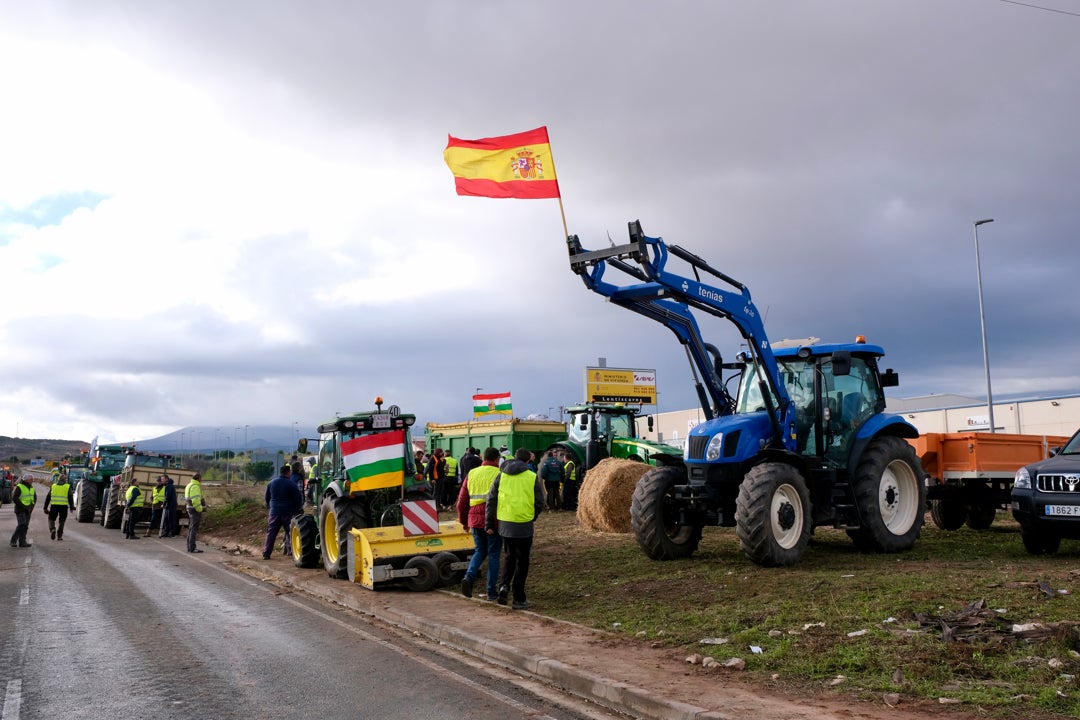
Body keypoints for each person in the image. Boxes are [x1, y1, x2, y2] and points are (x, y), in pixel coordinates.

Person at [485, 448, 545, 610]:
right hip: (524, 524)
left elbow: (491, 500)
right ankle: (519, 598)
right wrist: (532, 516)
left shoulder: (501, 475)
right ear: (527, 462)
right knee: (522, 561)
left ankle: (504, 586)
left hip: (505, 523)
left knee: (509, 556)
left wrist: (489, 524)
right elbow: (540, 501)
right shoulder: (531, 477)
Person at [456, 447, 503, 601]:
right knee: (494, 554)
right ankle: (491, 592)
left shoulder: (472, 473)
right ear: (496, 459)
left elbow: (461, 502)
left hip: (474, 519)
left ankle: (469, 578)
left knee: (479, 551)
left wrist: (464, 521)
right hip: (494, 519)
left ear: (483, 457)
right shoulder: (500, 474)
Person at [263, 463, 304, 560]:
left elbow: (267, 497)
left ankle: (266, 553)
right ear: (288, 472)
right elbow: (298, 498)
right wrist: (298, 508)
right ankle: (292, 553)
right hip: (288, 513)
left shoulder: (272, 483)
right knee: (290, 533)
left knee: (271, 533)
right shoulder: (291, 484)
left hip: (274, 513)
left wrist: (271, 506)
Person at [45, 471, 75, 541]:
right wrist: (71, 507)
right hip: (64, 507)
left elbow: (48, 497)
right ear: (65, 480)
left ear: (58, 479)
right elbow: (70, 497)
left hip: (54, 506)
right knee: (62, 521)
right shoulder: (67, 487)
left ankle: (52, 529)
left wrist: (45, 507)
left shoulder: (53, 486)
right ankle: (59, 536)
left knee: (51, 519)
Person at [10, 476, 37, 548]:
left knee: (25, 526)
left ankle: (22, 542)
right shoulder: (20, 487)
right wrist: (22, 505)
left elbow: (34, 497)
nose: (32, 481)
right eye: (31, 479)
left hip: (28, 510)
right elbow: (15, 497)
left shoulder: (31, 487)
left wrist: (32, 505)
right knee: (22, 524)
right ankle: (13, 541)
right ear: (27, 480)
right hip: (20, 509)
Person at [185, 472, 206, 553]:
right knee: (194, 529)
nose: (202, 480)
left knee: (191, 528)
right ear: (198, 478)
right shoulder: (195, 486)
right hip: (194, 510)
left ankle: (189, 547)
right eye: (201, 478)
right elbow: (196, 500)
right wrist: (200, 509)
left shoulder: (189, 485)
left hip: (190, 508)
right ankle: (192, 547)